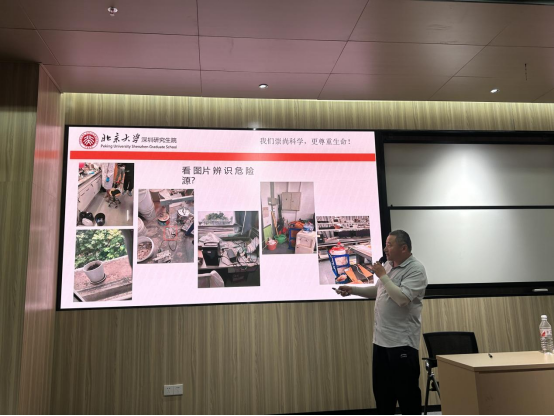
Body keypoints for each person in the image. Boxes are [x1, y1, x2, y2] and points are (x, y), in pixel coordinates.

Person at [335, 230, 427, 415]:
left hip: (401, 343)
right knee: (383, 396)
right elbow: (378, 291)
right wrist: (352, 290)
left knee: (407, 397)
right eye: (385, 244)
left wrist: (383, 275)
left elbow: (402, 299)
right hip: (380, 342)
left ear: (403, 248)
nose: (385, 249)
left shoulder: (416, 269)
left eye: (389, 245)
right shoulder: (389, 265)